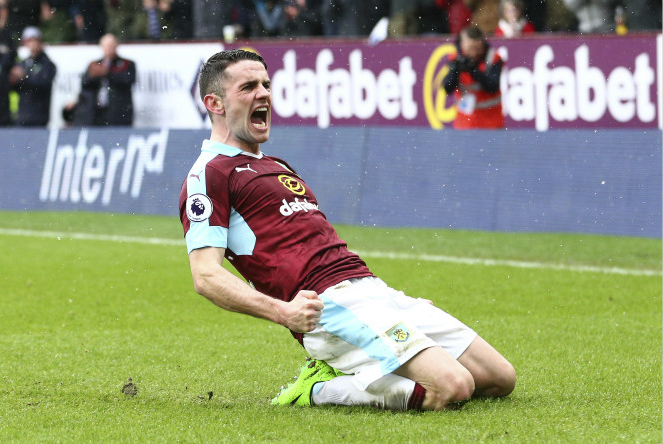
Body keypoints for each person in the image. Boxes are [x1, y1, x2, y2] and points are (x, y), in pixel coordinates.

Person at [178, 49, 516, 411]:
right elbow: (206, 275)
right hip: (330, 306)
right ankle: (318, 389)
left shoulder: (276, 165)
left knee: (500, 378)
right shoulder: (209, 174)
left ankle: (371, 354)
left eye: (266, 84)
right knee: (453, 386)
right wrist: (284, 312)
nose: (264, 93)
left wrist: (386, 300)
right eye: (248, 87)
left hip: (373, 291)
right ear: (214, 102)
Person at [442, 25, 504, 130]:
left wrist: (473, 70)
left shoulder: (493, 59)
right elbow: (447, 88)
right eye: (470, 48)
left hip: (491, 123)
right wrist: (455, 70)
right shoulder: (455, 59)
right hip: (465, 123)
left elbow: (492, 86)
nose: (474, 52)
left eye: (477, 48)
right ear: (462, 44)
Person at [73, 33, 136, 126]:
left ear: (116, 46)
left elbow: (127, 80)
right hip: (96, 112)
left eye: (111, 45)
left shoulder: (126, 64)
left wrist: (108, 74)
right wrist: (92, 77)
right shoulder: (95, 64)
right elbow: (85, 84)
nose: (109, 49)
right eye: (106, 46)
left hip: (117, 113)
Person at [9, 26, 56, 126]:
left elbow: (43, 84)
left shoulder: (48, 64)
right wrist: (13, 80)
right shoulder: (23, 63)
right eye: (29, 41)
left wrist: (24, 77)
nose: (33, 44)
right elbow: (15, 88)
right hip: (22, 115)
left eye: (35, 40)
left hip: (39, 116)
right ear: (25, 43)